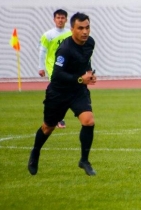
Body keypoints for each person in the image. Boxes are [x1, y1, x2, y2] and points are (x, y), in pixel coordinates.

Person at [28, 12, 98, 176]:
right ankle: (35, 152)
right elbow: (57, 75)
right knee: (48, 127)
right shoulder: (65, 49)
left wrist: (89, 73)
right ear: (72, 29)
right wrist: (81, 79)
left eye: (87, 27)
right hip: (58, 92)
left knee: (88, 121)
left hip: (78, 91)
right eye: (80, 28)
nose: (85, 32)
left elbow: (86, 60)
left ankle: (84, 160)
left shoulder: (90, 43)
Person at [39, 9, 72, 129]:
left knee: (67, 91)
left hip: (68, 66)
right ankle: (59, 118)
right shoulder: (48, 35)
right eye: (58, 17)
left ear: (66, 20)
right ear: (54, 19)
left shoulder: (70, 34)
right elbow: (42, 51)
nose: (60, 20)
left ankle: (59, 114)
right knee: (58, 91)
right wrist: (41, 67)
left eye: (62, 18)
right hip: (53, 67)